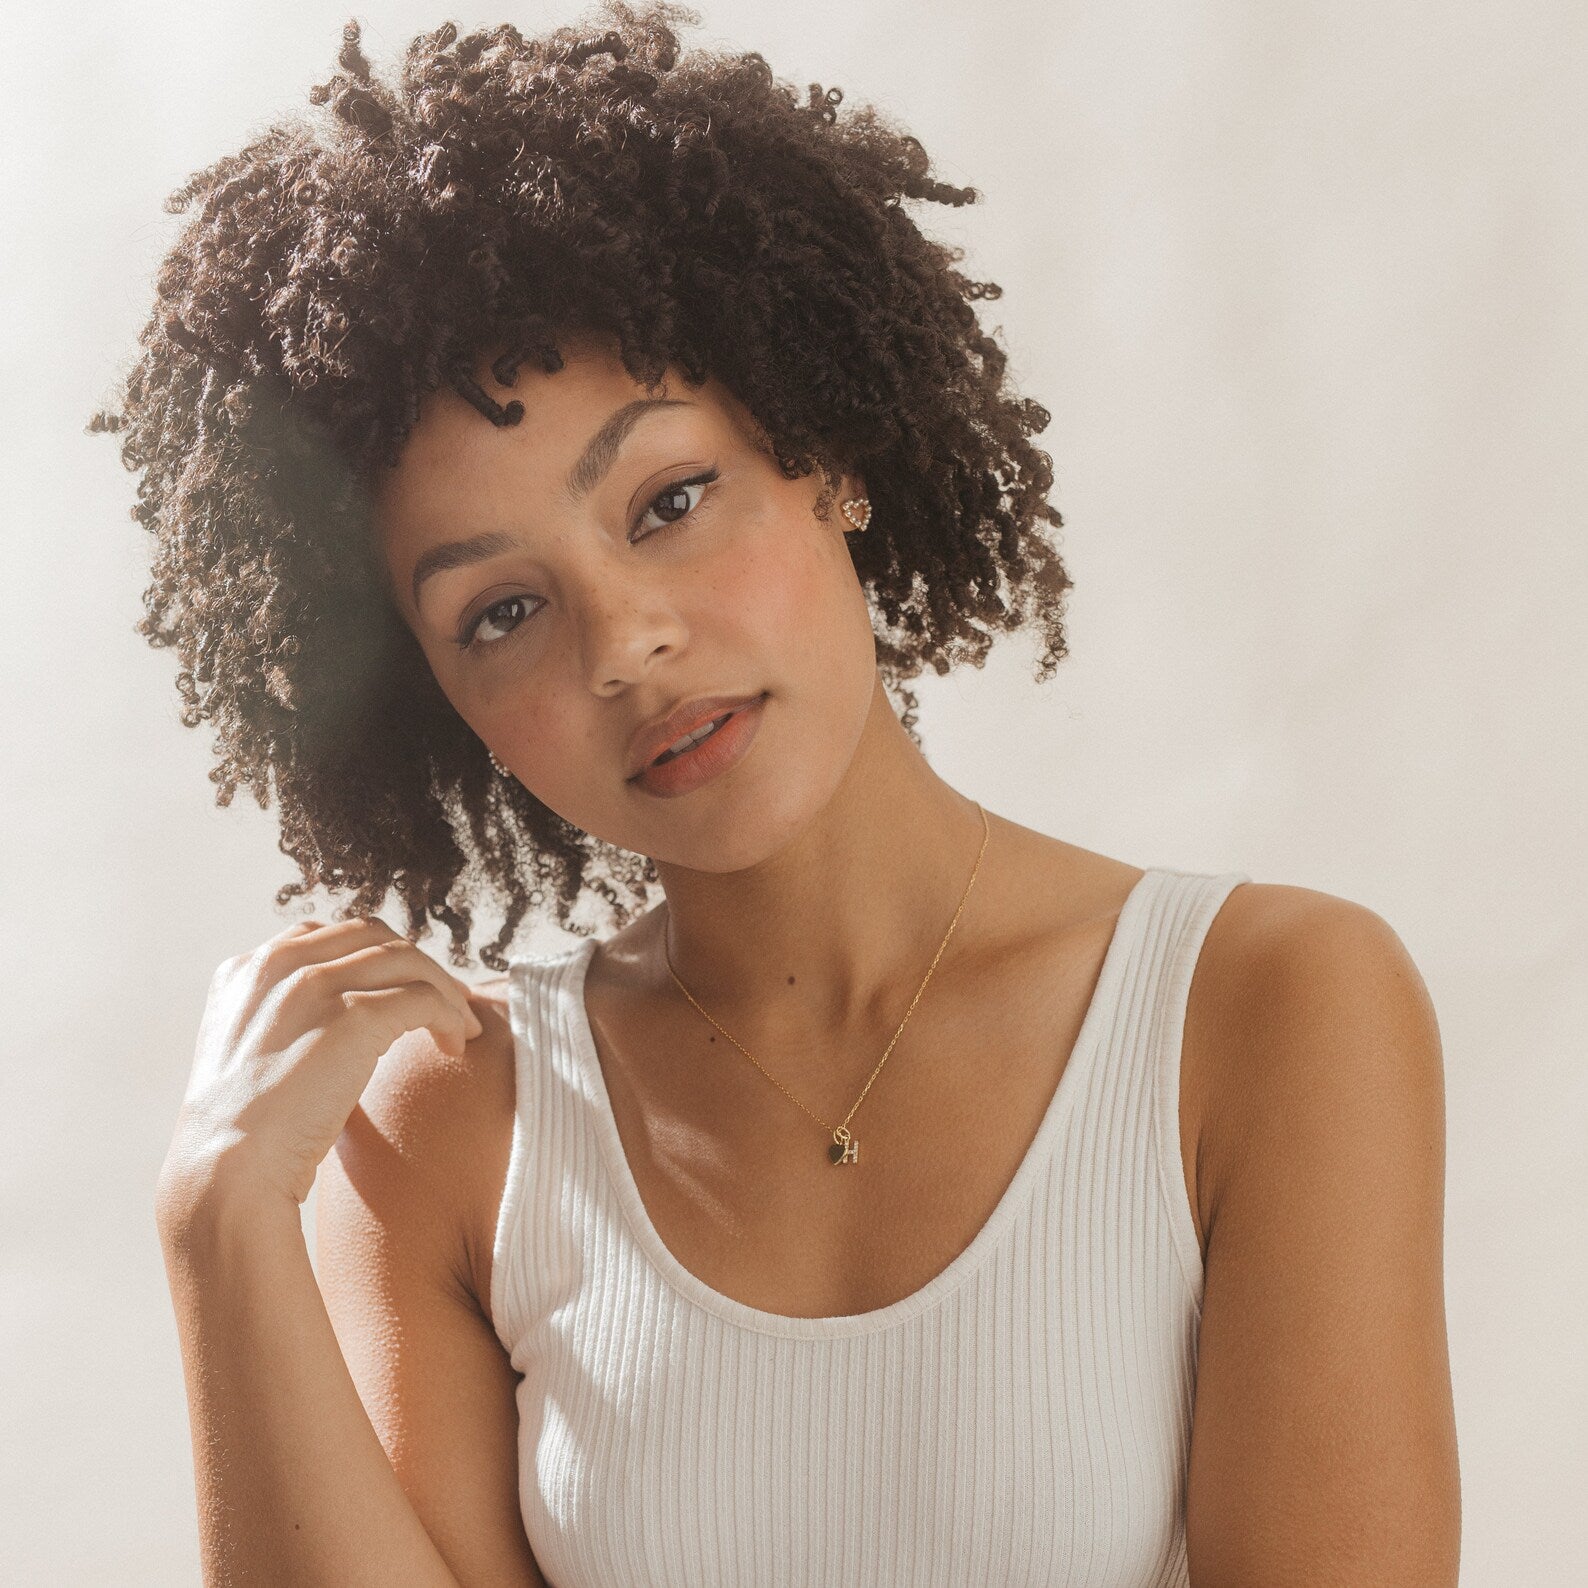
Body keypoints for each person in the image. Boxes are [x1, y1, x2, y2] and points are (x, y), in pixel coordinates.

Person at [91, 3, 1461, 1583]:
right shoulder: (453, 1123)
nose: (626, 642)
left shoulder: (1266, 1010)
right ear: (436, 702)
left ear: (829, 451)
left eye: (669, 499)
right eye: (503, 610)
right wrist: (217, 1223)